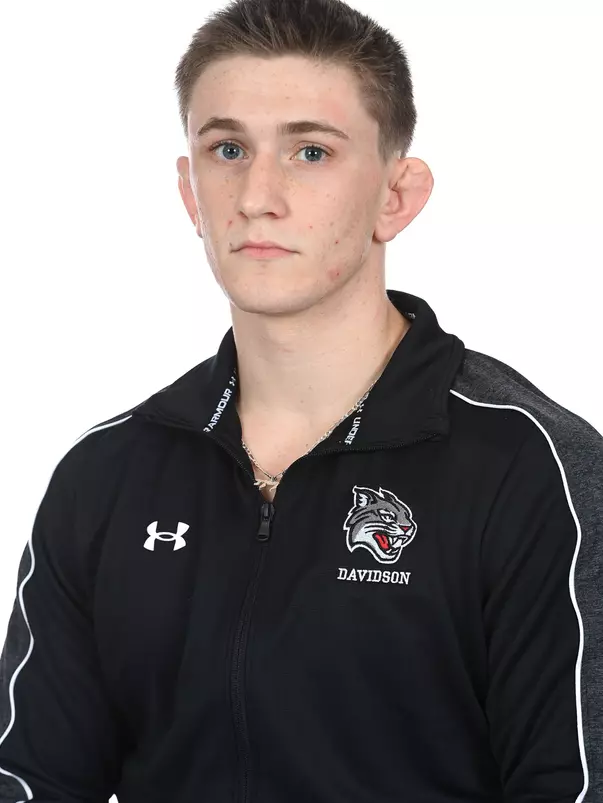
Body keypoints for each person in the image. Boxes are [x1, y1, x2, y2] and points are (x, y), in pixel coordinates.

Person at [0, 0, 601, 800]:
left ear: (397, 194)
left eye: (310, 151)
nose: (256, 195)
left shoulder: (534, 472)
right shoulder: (108, 474)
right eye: (226, 149)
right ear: (190, 189)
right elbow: (30, 778)